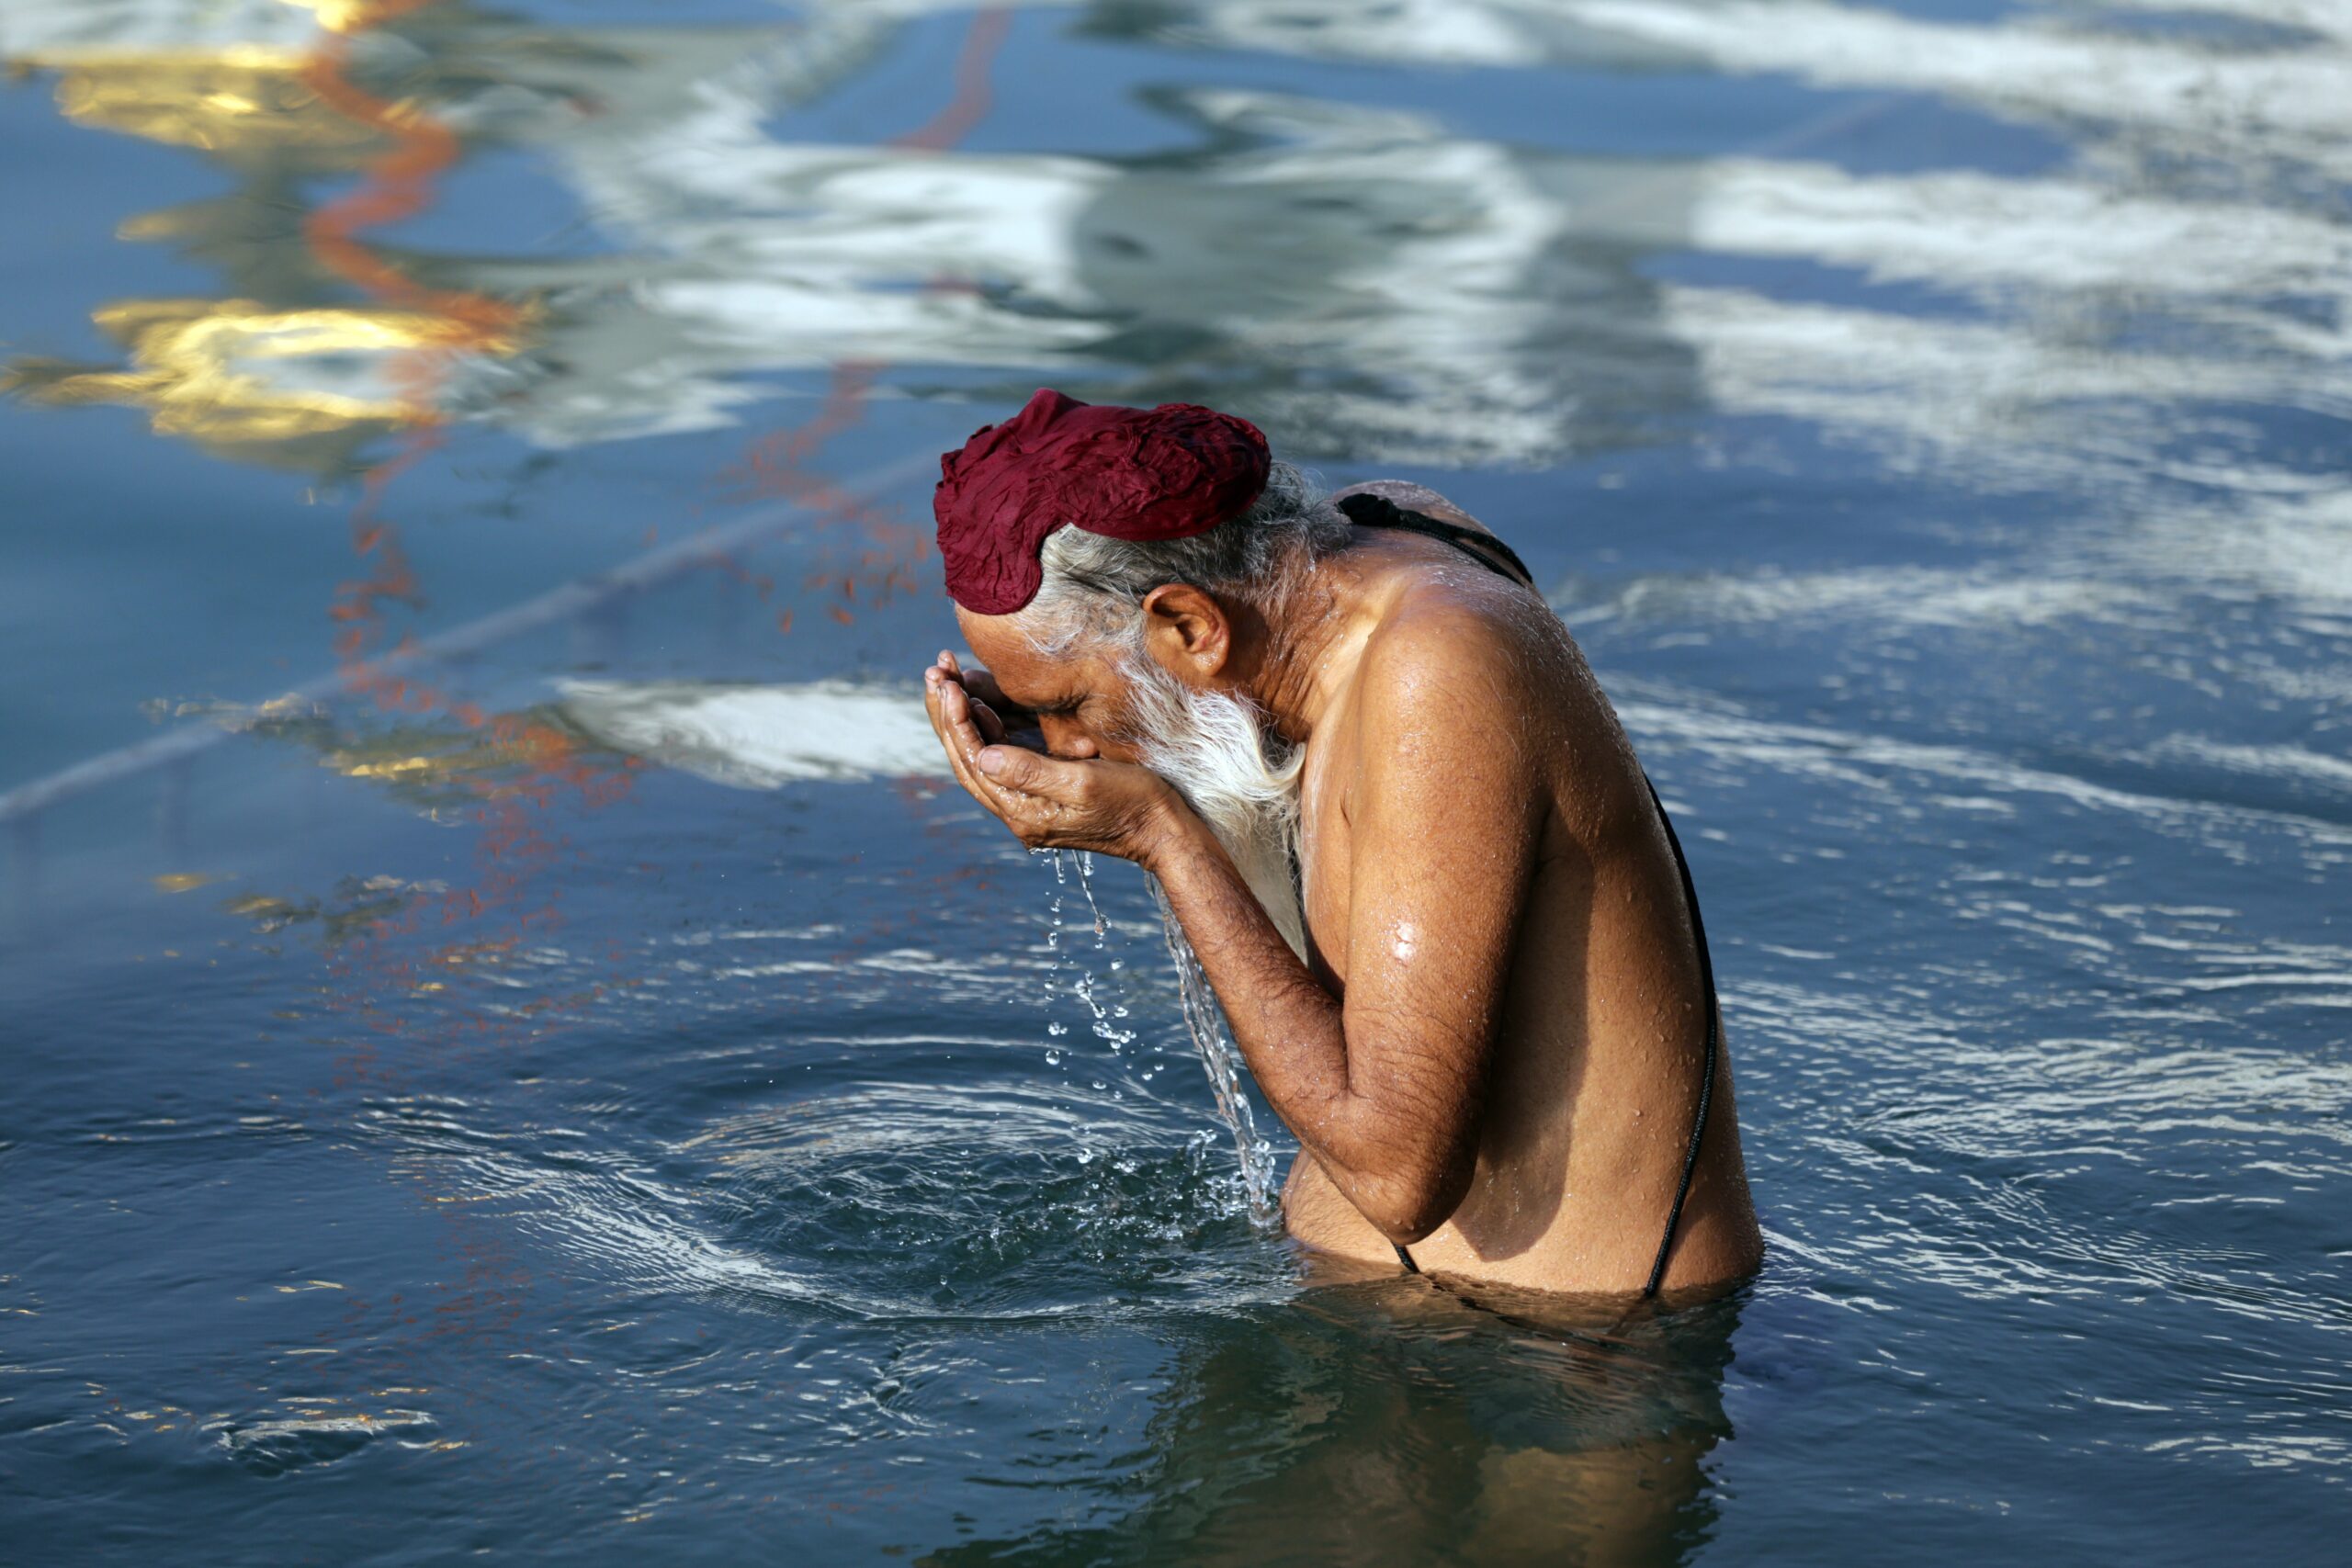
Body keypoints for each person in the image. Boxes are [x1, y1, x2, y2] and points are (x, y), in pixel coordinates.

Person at [921, 389, 1761, 1295]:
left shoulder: (1439, 671)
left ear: (1190, 627)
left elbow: (1400, 1179)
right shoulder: (1375, 537)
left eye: (1067, 706)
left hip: (1573, 1364)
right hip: (1427, 1334)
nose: (1069, 747)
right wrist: (1107, 729)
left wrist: (1156, 831)